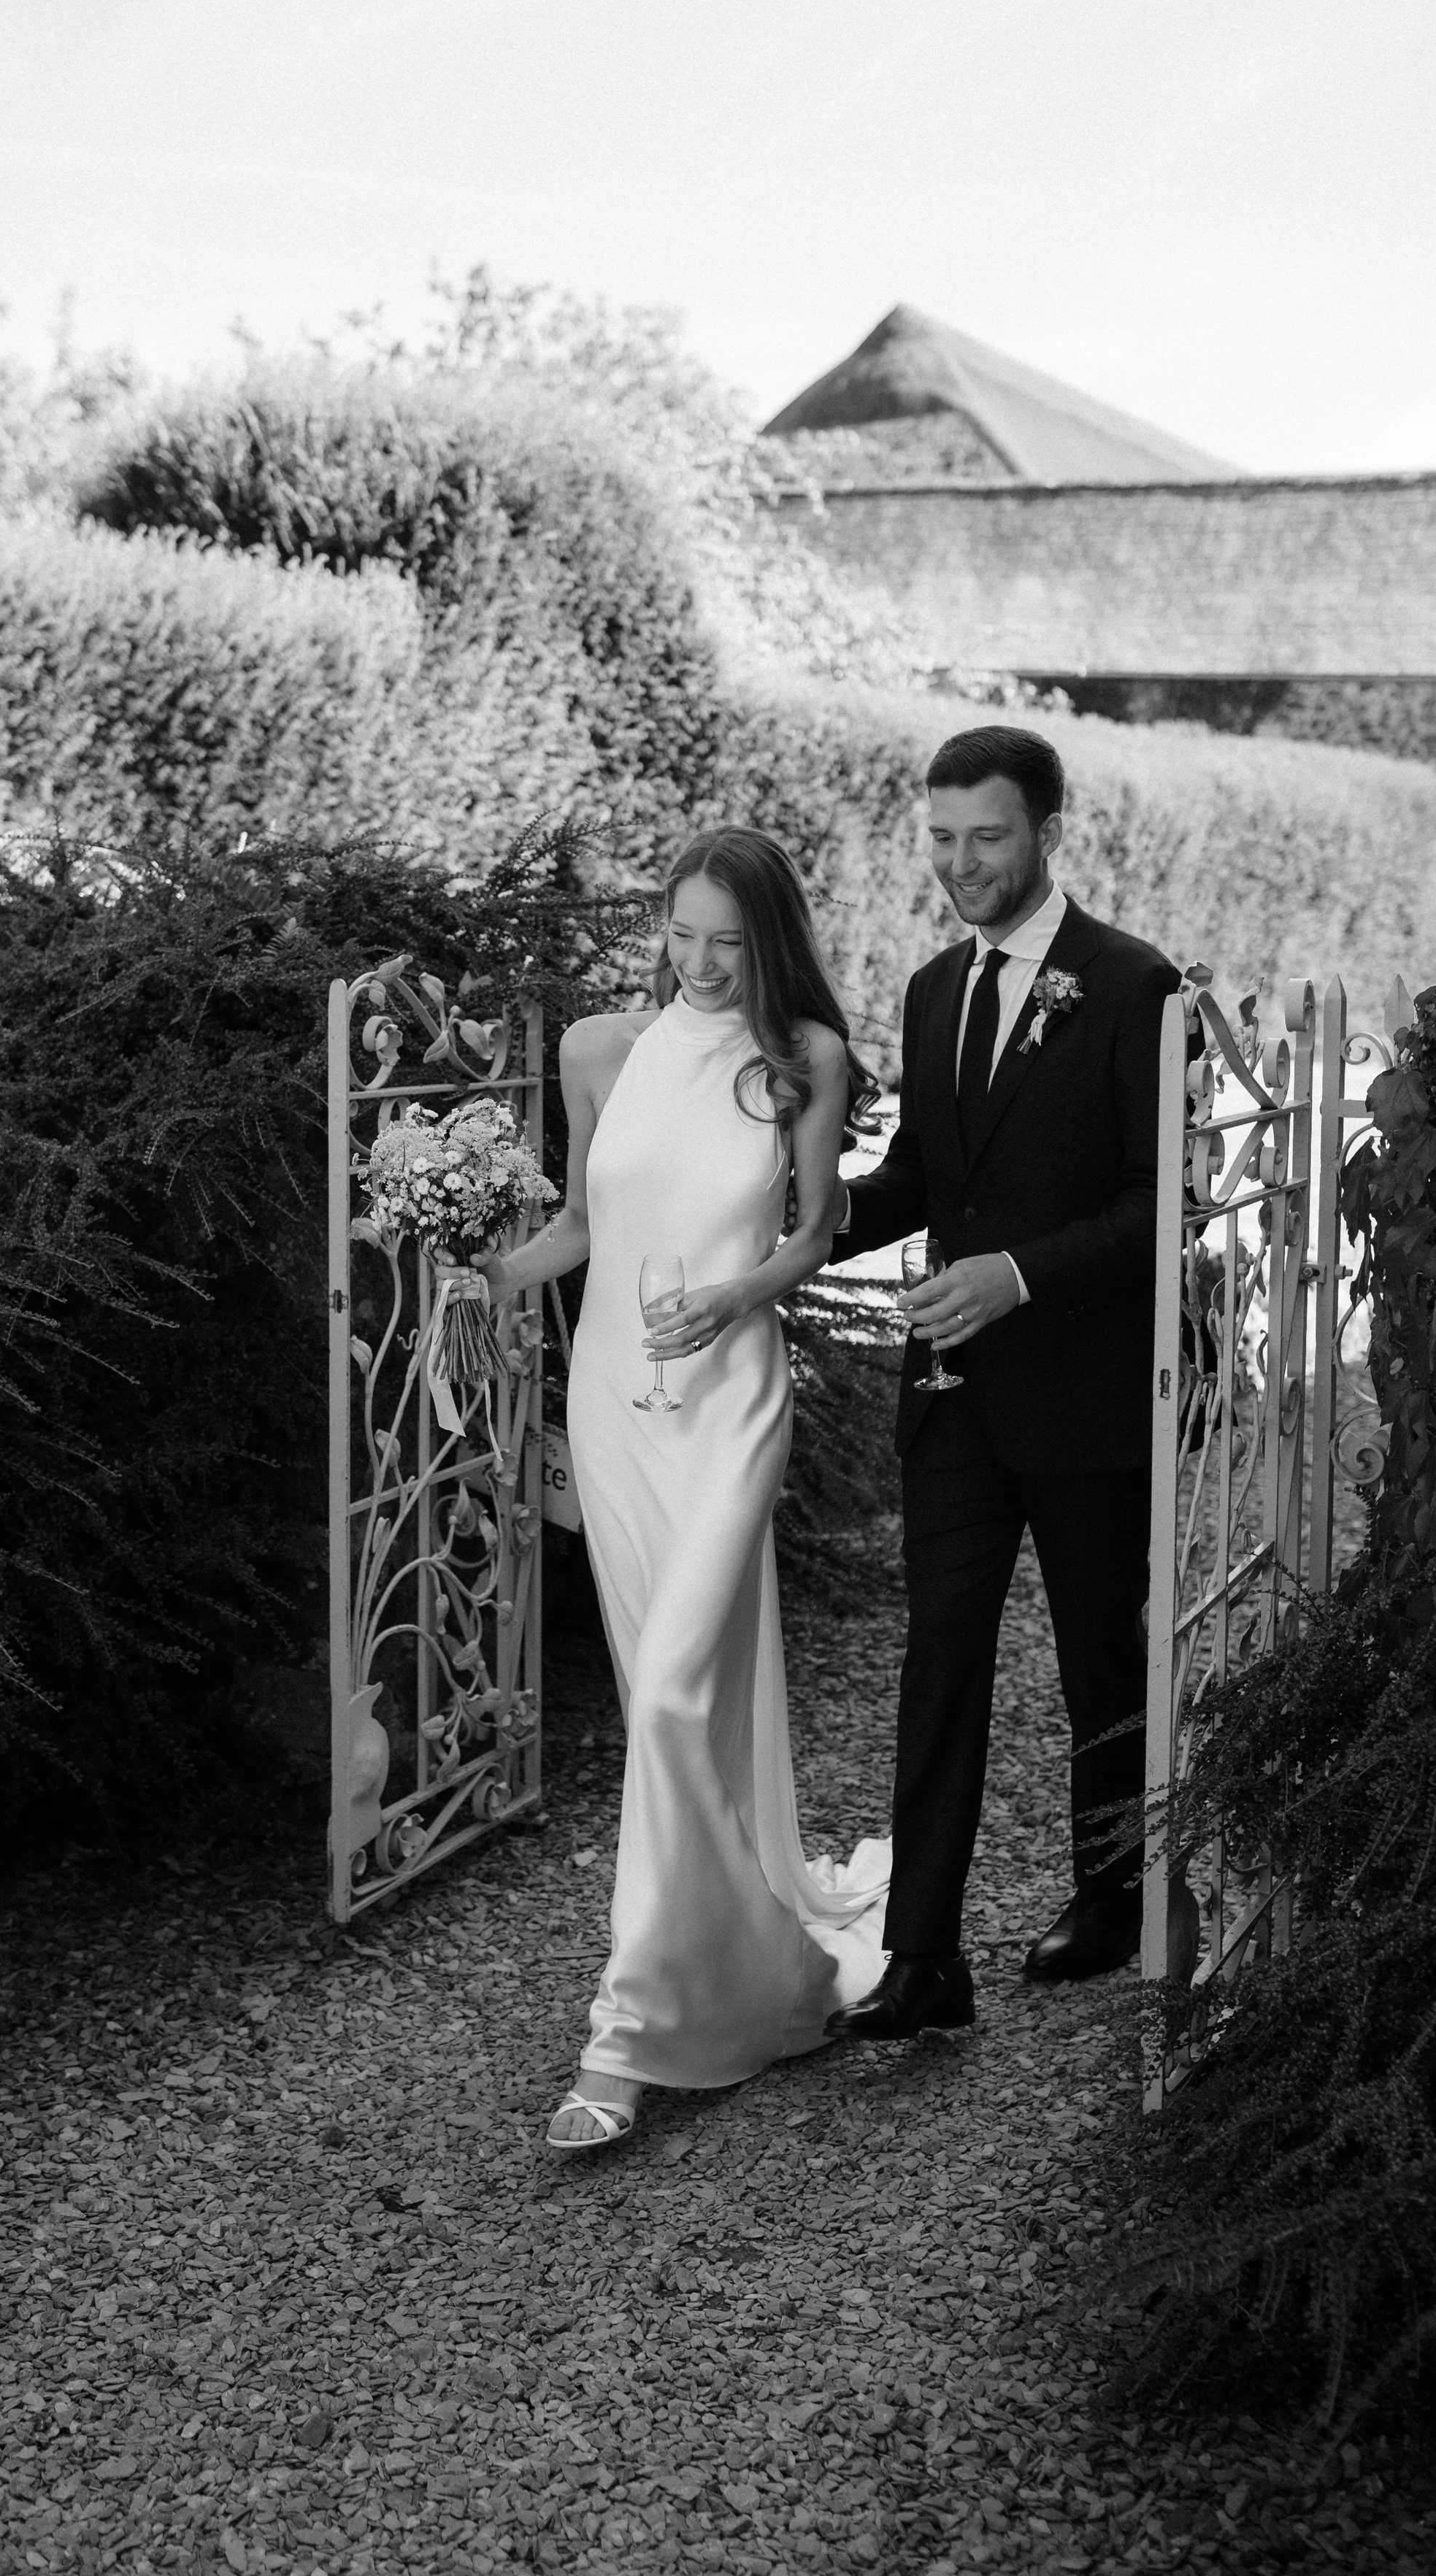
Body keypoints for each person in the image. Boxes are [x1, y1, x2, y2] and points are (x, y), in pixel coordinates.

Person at [479, 826, 891, 2149]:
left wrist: (735, 1295)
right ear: (659, 926)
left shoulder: (804, 1063)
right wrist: (481, 1271)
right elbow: (585, 1228)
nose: (702, 961)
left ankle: (627, 2034)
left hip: (730, 1400)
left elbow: (817, 1230)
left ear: (770, 940)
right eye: (682, 931)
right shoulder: (598, 1049)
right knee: (676, 1699)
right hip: (612, 1398)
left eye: (730, 938)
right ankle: (742, 1956)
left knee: (662, 1698)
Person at [823, 724, 1180, 2046]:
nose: (961, 864)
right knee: (941, 1661)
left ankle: (1114, 1895)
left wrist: (1017, 1275)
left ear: (1045, 831)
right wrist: (801, 1216)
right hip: (956, 1396)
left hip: (1086, 1396)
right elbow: (925, 1174)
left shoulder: (1132, 985)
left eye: (987, 837)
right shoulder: (930, 988)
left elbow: (1164, 1206)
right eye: (941, 840)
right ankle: (923, 1957)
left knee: (1102, 1661)